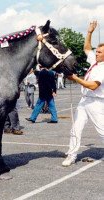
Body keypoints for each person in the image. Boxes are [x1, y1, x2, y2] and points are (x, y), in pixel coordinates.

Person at [62, 20, 104, 167]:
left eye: (99, 52)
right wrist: (89, 32)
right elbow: (87, 48)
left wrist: (74, 78)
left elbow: (93, 86)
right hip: (84, 101)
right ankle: (71, 155)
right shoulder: (95, 62)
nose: (96, 53)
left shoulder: (103, 68)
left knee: (102, 131)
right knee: (76, 128)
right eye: (97, 51)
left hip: (96, 102)